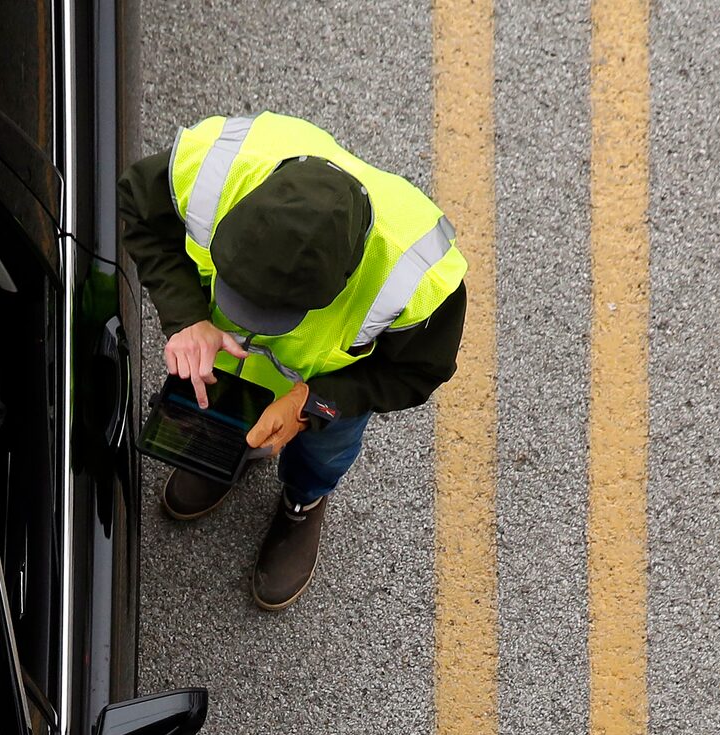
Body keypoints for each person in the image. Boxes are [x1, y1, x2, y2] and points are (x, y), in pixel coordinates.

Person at [120, 113, 467, 609]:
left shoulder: (417, 275)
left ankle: (303, 501)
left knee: (323, 452)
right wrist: (186, 318)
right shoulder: (212, 168)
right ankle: (229, 454)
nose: (252, 325)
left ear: (346, 274)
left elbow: (418, 371)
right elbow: (138, 205)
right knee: (222, 412)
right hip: (231, 373)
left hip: (324, 390)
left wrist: (314, 403)